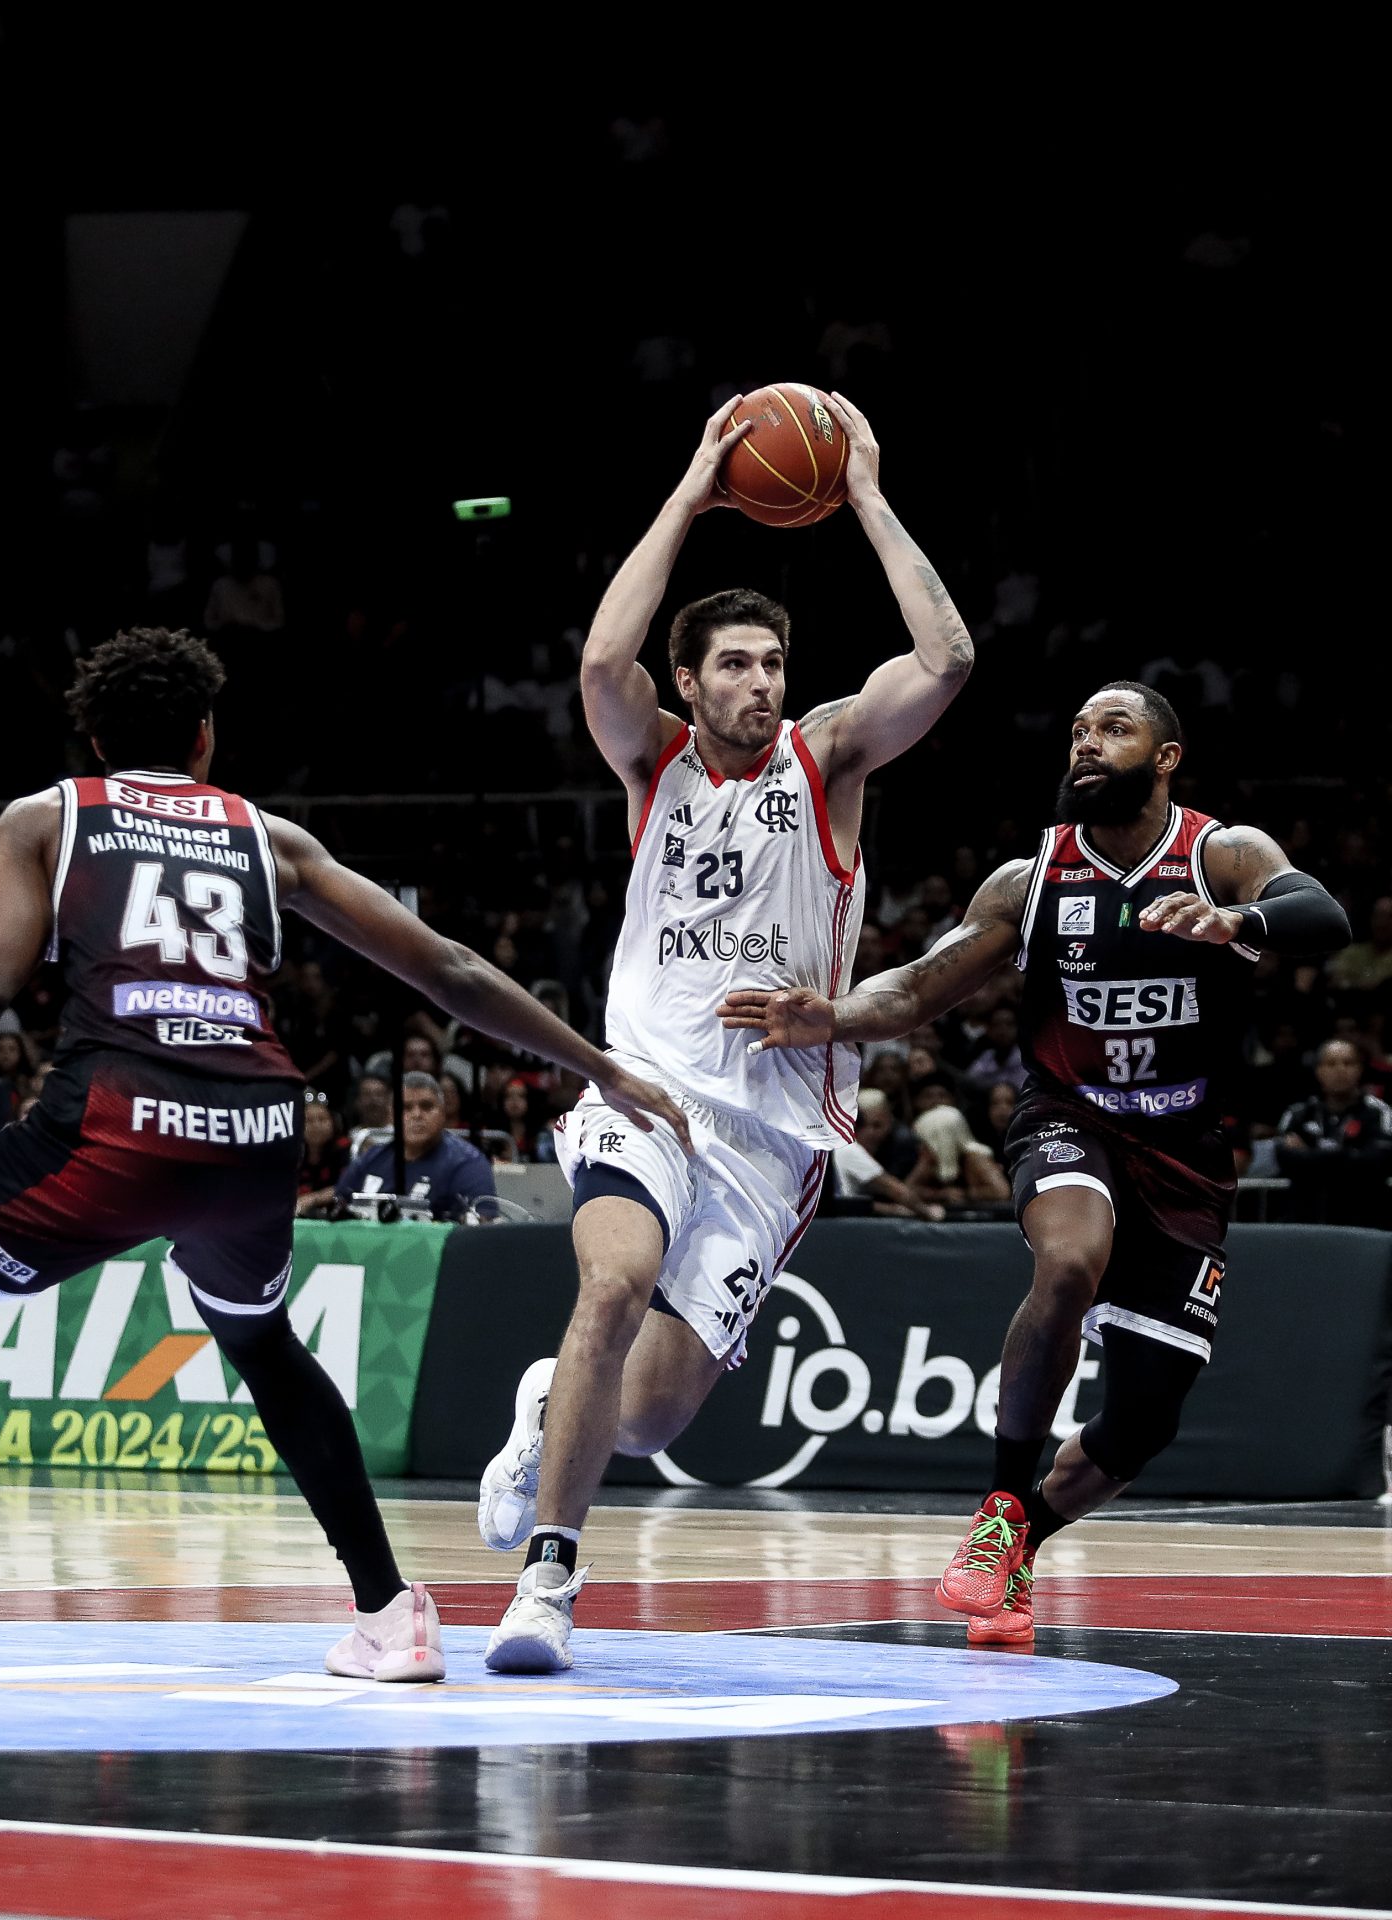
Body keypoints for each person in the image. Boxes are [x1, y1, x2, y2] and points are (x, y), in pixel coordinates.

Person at [0, 626, 689, 1686]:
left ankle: (390, 1611)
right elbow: (447, 967)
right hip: (255, 1132)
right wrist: (599, 1065)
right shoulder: (269, 838)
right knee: (264, 1349)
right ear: (206, 739)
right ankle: (392, 1615)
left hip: (114, 1124)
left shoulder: (49, 818)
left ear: (96, 739)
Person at [479, 390, 976, 1673]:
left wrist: (862, 493)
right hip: (644, 1092)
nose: (761, 683)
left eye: (773, 664)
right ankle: (550, 1576)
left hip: (772, 1138)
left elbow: (947, 663)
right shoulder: (654, 765)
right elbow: (598, 664)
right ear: (690, 684)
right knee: (610, 1280)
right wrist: (693, 495)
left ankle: (551, 1406)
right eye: (735, 665)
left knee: (646, 1417)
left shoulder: (830, 763)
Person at [720, 681, 1350, 1648]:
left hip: (1187, 1155)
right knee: (1067, 1260)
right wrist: (834, 1014)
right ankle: (1004, 1503)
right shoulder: (1032, 879)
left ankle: (1016, 1549)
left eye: (1114, 728)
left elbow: (1322, 915)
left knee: (1141, 1426)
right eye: (1078, 730)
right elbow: (927, 982)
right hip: (1071, 1119)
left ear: (1167, 756)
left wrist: (1241, 923)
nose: (1087, 743)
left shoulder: (1224, 855)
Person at [301, 1072, 497, 1221]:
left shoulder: (468, 1163)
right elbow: (340, 1198)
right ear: (391, 1114)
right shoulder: (373, 1158)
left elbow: (482, 1224)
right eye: (406, 1108)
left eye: (427, 1106)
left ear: (443, 1112)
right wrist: (312, 1200)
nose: (416, 1115)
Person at [1274, 1039, 1392, 1227]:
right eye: (1331, 1064)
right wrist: (1348, 1154)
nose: (1340, 1070)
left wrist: (1310, 1154)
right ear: (1319, 1070)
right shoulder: (1298, 1113)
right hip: (1305, 1220)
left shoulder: (1379, 1113)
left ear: (1360, 1069)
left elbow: (1377, 1162)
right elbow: (1285, 1160)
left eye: (1348, 1063)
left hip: (1364, 1221)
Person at [832, 1088, 944, 1221]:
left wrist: (895, 1210)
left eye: (878, 1126)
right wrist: (928, 1212)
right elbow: (893, 1189)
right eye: (867, 1125)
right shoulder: (849, 1149)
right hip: (842, 1224)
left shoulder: (835, 1145)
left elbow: (855, 1202)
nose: (872, 1133)